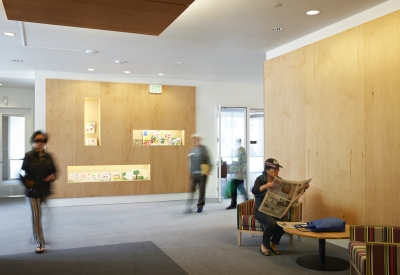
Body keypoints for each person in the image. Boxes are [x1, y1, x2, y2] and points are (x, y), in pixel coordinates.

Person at [252, 158, 309, 256]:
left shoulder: (279, 180)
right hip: (261, 211)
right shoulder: (260, 179)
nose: (276, 171)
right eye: (274, 169)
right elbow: (254, 190)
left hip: (275, 210)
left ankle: (272, 243)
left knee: (285, 222)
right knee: (271, 222)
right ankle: (264, 246)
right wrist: (265, 186)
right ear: (266, 170)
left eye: (277, 169)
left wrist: (302, 188)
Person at [20, 130, 57, 254]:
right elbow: (21, 172)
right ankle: (39, 242)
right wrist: (27, 182)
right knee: (36, 217)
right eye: (37, 140)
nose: (40, 143)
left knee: (44, 216)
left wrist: (52, 176)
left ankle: (34, 234)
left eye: (43, 141)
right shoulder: (28, 156)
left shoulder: (48, 156)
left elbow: (54, 171)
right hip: (33, 191)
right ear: (33, 141)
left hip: (44, 190)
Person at [185, 134, 212, 213]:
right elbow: (190, 161)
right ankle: (188, 206)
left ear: (200, 140)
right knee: (192, 190)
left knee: (202, 191)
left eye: (197, 139)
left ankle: (200, 206)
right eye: (194, 139)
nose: (195, 140)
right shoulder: (192, 150)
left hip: (202, 174)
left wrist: (208, 170)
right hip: (194, 174)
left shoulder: (204, 149)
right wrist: (190, 172)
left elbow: (209, 160)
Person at [226, 138, 248, 209]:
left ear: (240, 143)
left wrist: (241, 170)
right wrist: (230, 170)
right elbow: (233, 161)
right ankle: (234, 203)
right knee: (236, 188)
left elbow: (244, 162)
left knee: (240, 188)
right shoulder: (234, 150)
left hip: (240, 173)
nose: (236, 144)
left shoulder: (242, 150)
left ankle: (244, 202)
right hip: (234, 173)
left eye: (237, 142)